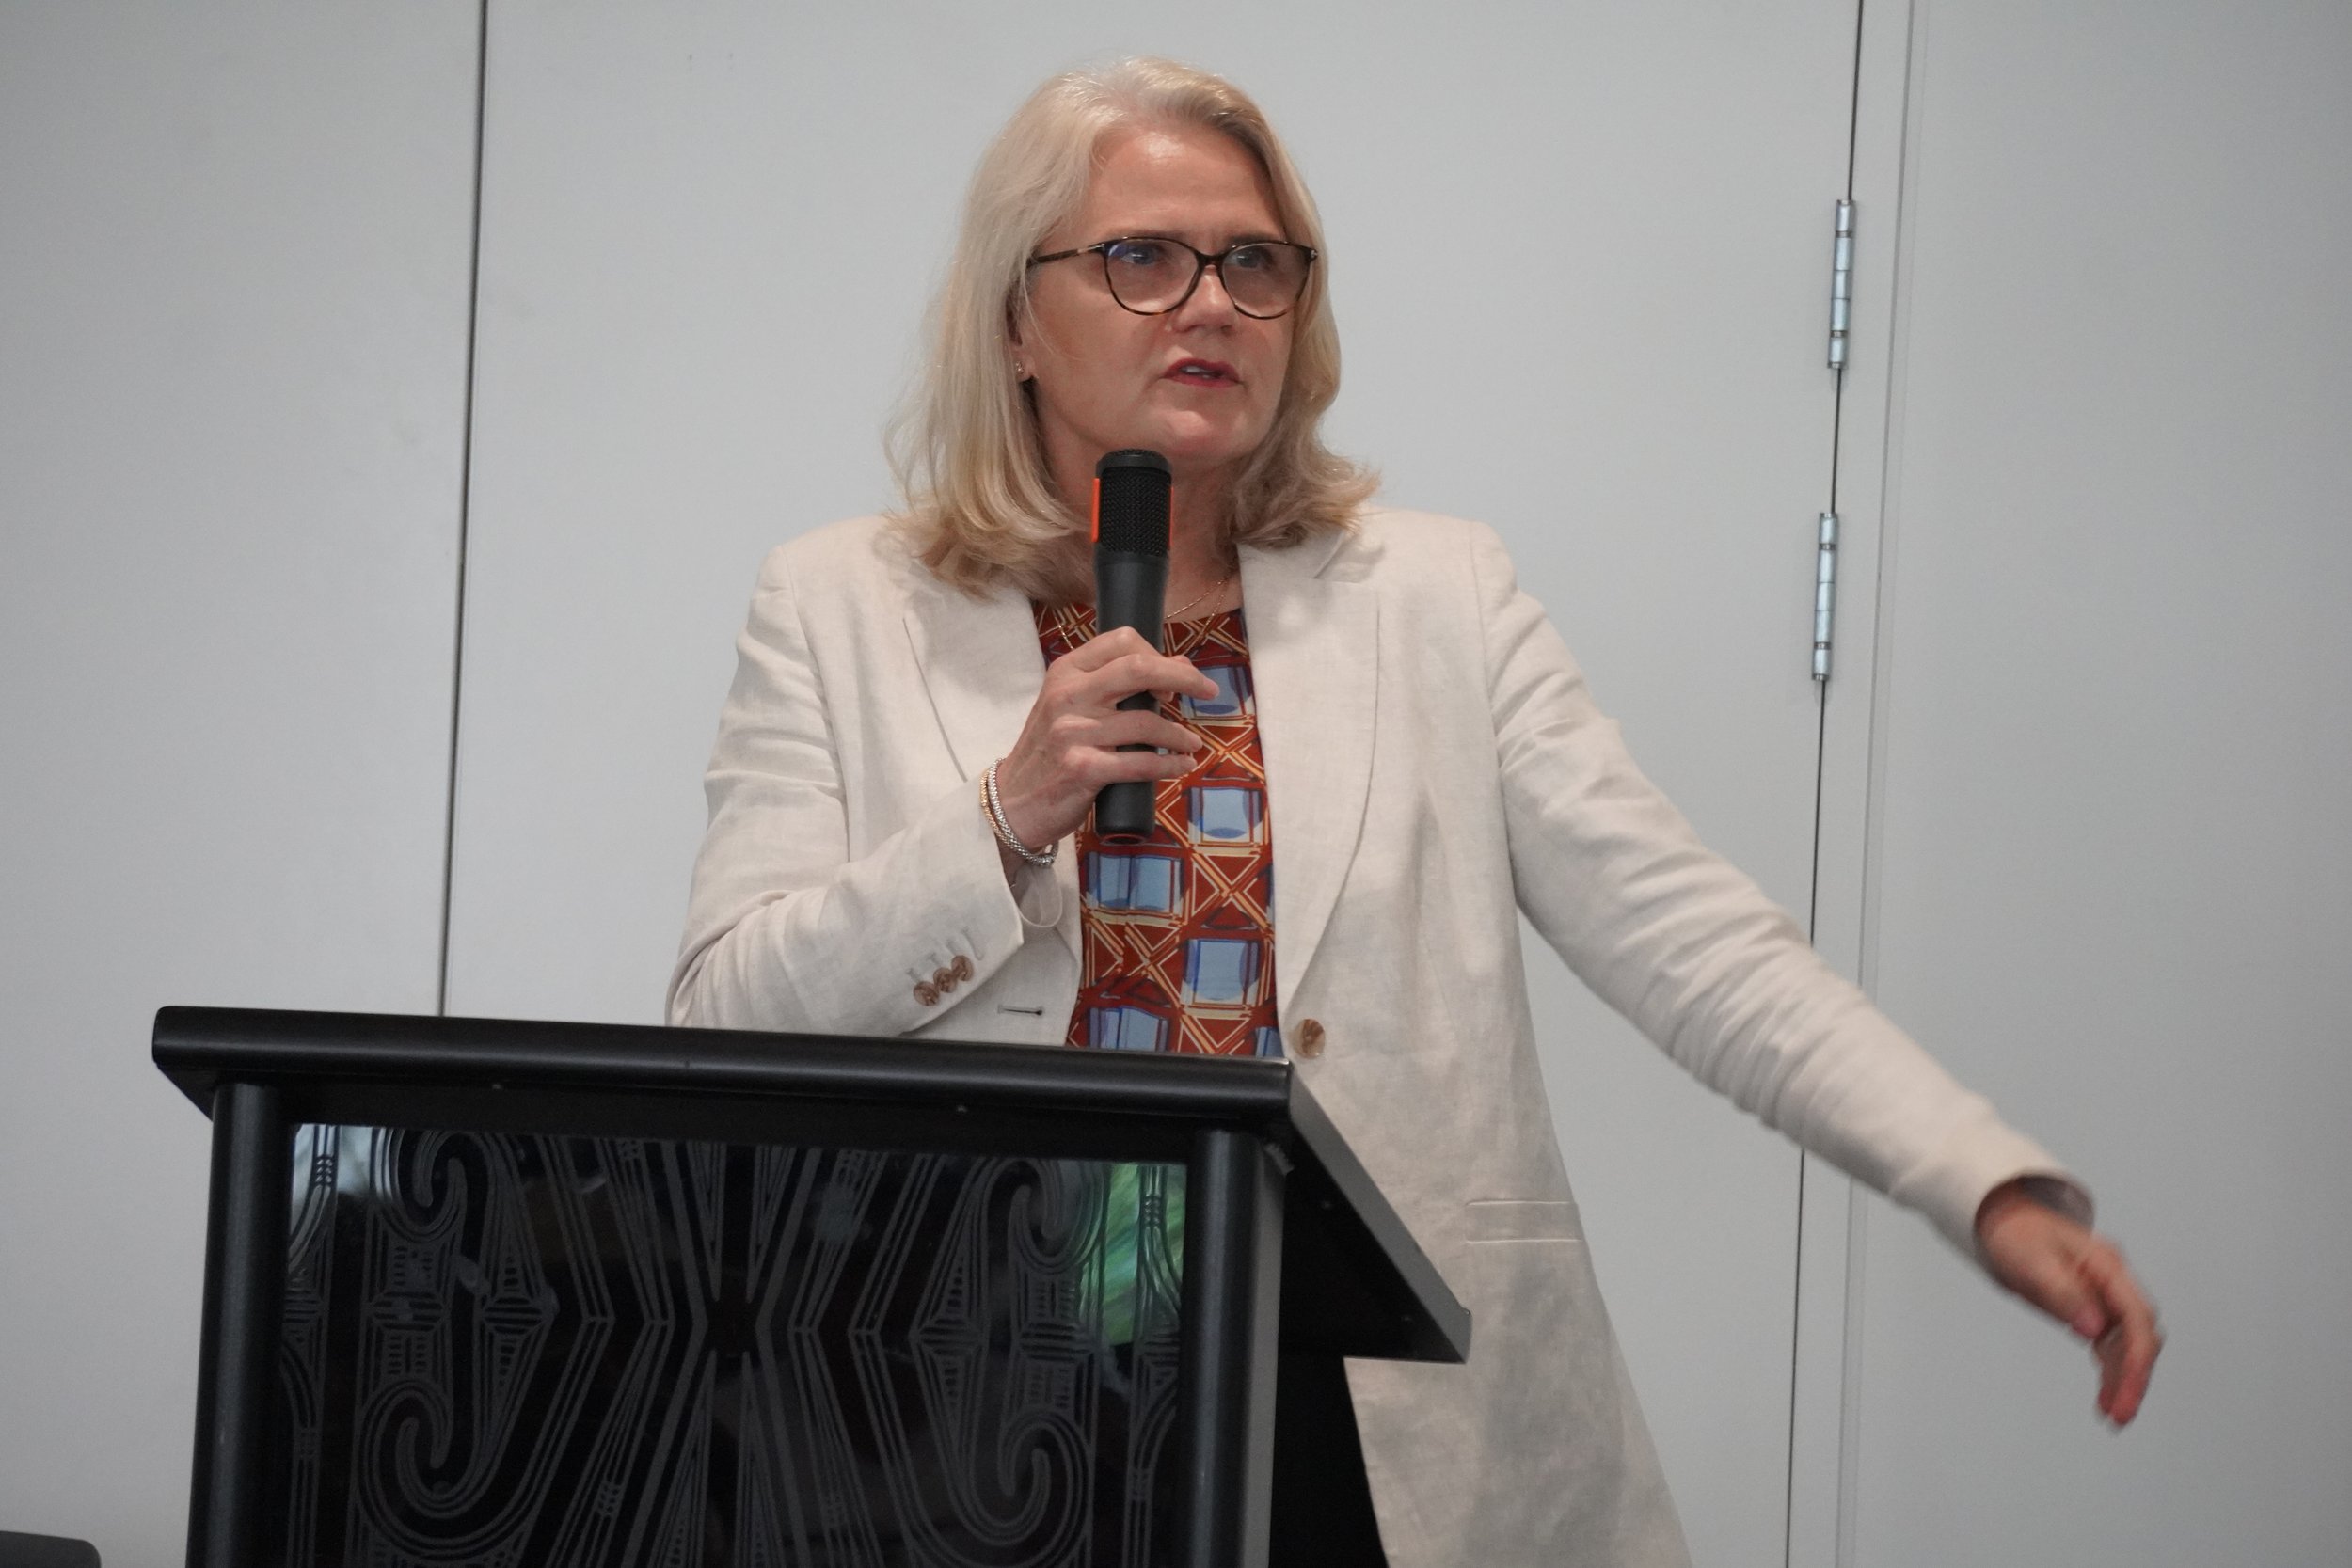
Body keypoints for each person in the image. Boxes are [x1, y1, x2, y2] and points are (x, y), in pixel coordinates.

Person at [668, 55, 2160, 1567]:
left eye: (1255, 264)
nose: (1209, 305)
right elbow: (723, 1019)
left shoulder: (1439, 597)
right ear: (1014, 318)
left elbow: (1693, 938)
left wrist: (1973, 1177)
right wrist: (1003, 817)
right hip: (966, 1401)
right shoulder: (840, 605)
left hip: (1363, 1407)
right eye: (1142, 258)